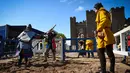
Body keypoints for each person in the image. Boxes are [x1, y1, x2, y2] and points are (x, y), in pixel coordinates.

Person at [94, 3, 115, 73]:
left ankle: (106, 70)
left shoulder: (101, 11)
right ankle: (107, 70)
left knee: (104, 53)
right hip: (105, 34)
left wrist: (98, 29)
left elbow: (104, 20)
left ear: (97, 8)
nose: (94, 11)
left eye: (94, 9)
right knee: (106, 53)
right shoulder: (105, 12)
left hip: (104, 34)